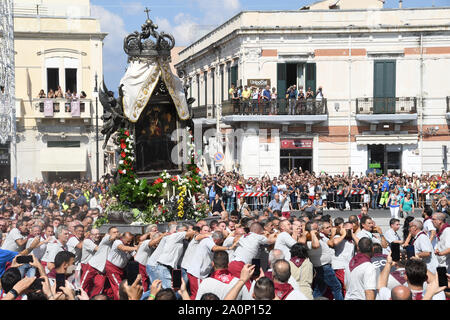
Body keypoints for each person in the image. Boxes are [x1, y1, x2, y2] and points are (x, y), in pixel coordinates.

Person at [186, 230, 238, 299]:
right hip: (197, 273)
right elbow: (214, 248)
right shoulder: (208, 241)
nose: (220, 244)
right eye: (220, 242)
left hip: (200, 274)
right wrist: (229, 248)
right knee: (196, 295)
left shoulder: (210, 239)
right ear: (217, 240)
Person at [377, 254, 445, 300]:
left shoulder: (397, 295)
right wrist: (419, 264)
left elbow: (380, 285)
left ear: (405, 277)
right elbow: (441, 284)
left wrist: (388, 263)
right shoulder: (436, 295)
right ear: (426, 278)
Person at [307, 220, 344, 300]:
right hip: (324, 267)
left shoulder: (318, 238)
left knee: (320, 289)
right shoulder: (310, 241)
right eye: (316, 229)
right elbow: (316, 245)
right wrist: (312, 233)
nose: (318, 231)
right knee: (337, 287)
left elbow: (330, 243)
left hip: (324, 267)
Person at [81, 226, 119, 297]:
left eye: (98, 234)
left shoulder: (113, 242)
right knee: (83, 285)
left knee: (99, 286)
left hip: (101, 269)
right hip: (90, 266)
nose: (97, 236)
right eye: (114, 232)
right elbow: (98, 249)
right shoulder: (105, 239)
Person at [105, 231, 138, 300]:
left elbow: (136, 257)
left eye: (130, 241)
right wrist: (136, 248)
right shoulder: (117, 242)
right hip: (112, 268)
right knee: (119, 287)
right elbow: (123, 248)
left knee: (116, 287)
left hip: (120, 269)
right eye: (127, 241)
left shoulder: (130, 247)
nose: (129, 243)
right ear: (123, 238)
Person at [331, 221, 357, 297]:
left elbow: (360, 244)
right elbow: (335, 242)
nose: (351, 231)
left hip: (348, 267)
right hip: (340, 266)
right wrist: (344, 234)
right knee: (345, 286)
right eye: (349, 229)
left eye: (352, 229)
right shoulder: (338, 237)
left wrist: (352, 234)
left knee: (349, 286)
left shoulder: (352, 239)